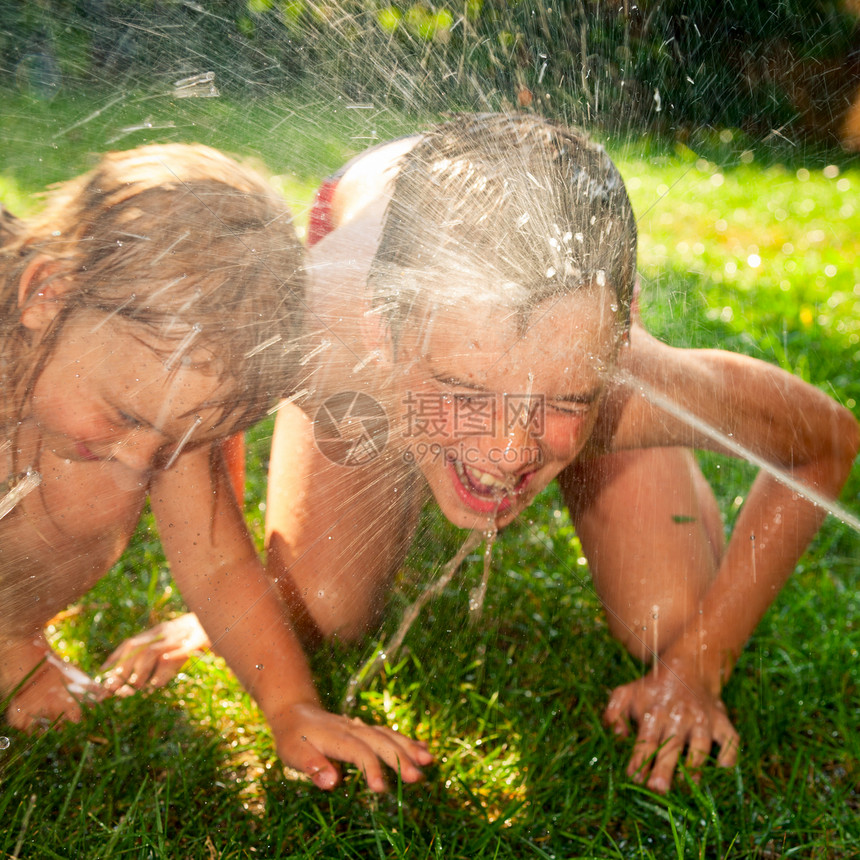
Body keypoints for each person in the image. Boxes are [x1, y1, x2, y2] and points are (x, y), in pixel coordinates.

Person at [106, 116, 859, 794]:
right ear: (382, 332)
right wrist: (226, 595)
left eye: (564, 399)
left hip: (545, 253)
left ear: (618, 338)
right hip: (381, 210)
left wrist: (700, 663)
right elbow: (200, 402)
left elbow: (828, 443)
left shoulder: (632, 380)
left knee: (667, 621)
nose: (507, 453)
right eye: (463, 391)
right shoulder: (315, 333)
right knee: (321, 608)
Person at [0, 143, 431, 794]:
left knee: (87, 489)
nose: (141, 460)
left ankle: (10, 637)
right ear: (48, 296)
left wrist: (291, 705)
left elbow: (220, 564)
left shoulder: (160, 404)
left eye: (174, 440)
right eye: (124, 416)